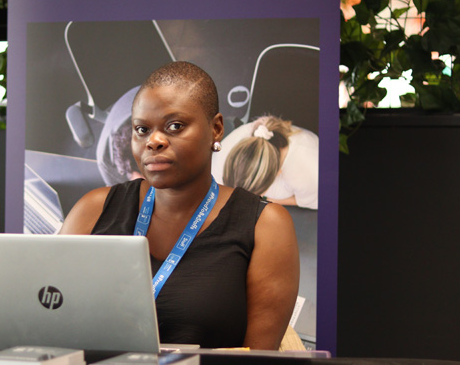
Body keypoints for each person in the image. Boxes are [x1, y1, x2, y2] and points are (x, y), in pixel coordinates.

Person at [60, 61, 299, 350]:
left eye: (175, 126)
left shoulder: (265, 225)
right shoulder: (94, 209)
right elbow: (50, 320)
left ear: (216, 129)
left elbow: (257, 360)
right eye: (142, 129)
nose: (154, 141)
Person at [212, 116, 318, 209]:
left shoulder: (308, 173)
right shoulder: (222, 157)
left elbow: (307, 201)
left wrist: (267, 199)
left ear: (278, 173)